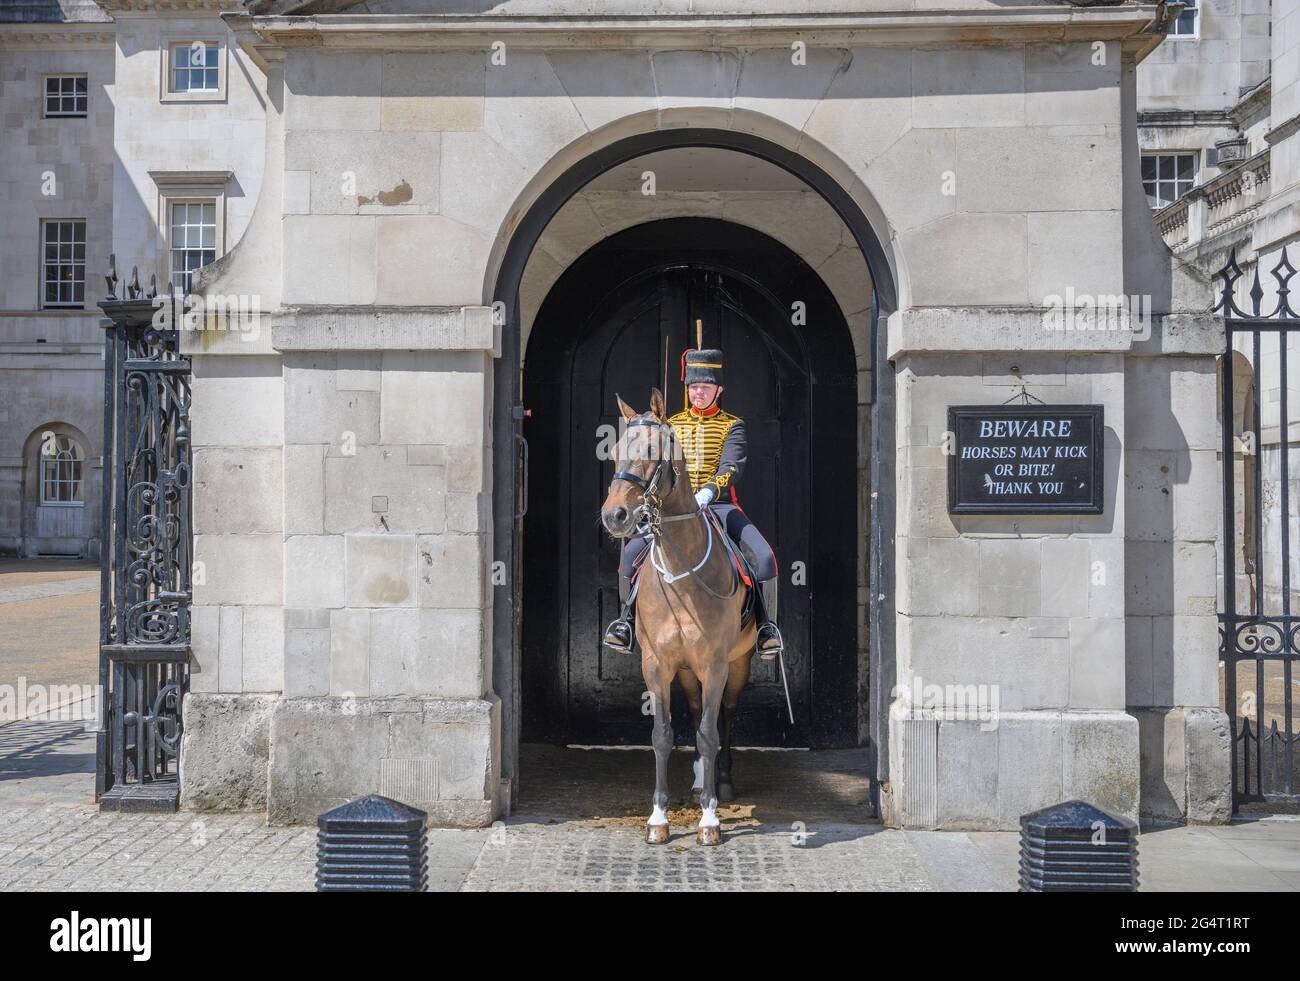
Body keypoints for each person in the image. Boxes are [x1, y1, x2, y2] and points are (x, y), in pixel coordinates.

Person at [602, 347, 784, 659]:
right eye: (693, 387)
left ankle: (766, 628)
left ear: (719, 390)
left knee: (765, 558)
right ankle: (626, 622)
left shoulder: (731, 425)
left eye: (705, 387)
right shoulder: (668, 425)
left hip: (718, 505)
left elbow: (732, 467)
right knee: (630, 554)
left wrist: (709, 491)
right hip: (672, 509)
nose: (698, 392)